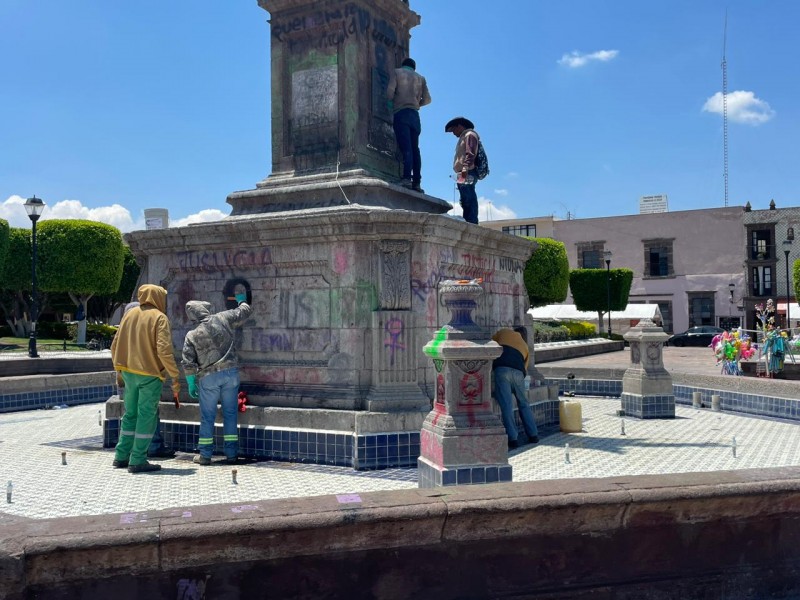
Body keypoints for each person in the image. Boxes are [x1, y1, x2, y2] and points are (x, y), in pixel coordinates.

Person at [111, 285, 181, 473]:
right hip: (149, 375)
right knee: (146, 417)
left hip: (128, 372)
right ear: (158, 297)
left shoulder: (129, 315)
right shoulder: (160, 318)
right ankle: (138, 460)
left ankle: (121, 456)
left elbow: (115, 344)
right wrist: (175, 376)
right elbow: (164, 350)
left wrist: (119, 369)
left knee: (130, 415)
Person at [182, 292, 252, 466]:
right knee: (230, 414)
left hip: (208, 377)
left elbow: (188, 362)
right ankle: (231, 454)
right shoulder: (223, 317)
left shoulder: (192, 335)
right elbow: (244, 311)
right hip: (231, 374)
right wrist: (241, 300)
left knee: (207, 416)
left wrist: (191, 383)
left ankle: (205, 455)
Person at [387, 57, 431, 193]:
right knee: (415, 149)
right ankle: (416, 182)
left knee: (406, 147)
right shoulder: (420, 78)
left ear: (403, 65)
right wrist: (417, 104)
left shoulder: (397, 73)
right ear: (414, 67)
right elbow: (428, 99)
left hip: (401, 113)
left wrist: (390, 104)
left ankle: (406, 179)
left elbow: (389, 92)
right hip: (415, 116)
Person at [492, 326, 539, 449]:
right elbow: (525, 367)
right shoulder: (525, 347)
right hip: (519, 374)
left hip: (501, 370)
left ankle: (513, 439)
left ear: (514, 331)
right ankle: (533, 435)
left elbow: (490, 343)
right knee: (524, 403)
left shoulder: (504, 332)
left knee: (506, 405)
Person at [445, 116, 481, 225]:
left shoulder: (469, 135)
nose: (453, 133)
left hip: (467, 170)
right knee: (465, 198)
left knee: (468, 197)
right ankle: (469, 220)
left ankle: (472, 221)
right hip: (464, 171)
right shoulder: (465, 136)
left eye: (453, 130)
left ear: (460, 126)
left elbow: (470, 153)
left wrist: (465, 168)